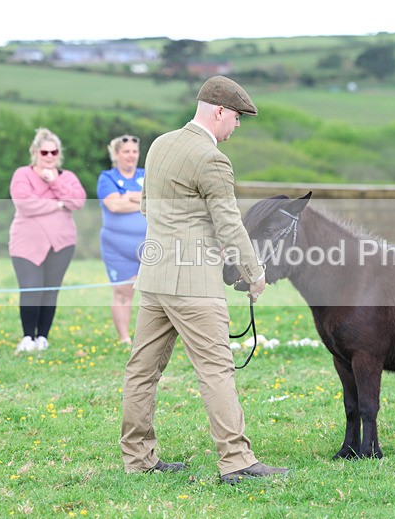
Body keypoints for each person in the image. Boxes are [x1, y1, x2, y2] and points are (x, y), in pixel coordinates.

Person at [120, 75, 287, 484]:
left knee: (141, 371)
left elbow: (145, 206)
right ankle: (236, 461)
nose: (238, 126)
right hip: (194, 285)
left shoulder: (160, 144)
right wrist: (255, 273)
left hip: (155, 279)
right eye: (237, 118)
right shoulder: (212, 159)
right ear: (219, 112)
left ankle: (138, 458)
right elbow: (230, 225)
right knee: (216, 371)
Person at [9, 127, 86, 354]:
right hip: (26, 243)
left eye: (54, 152)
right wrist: (58, 204)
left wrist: (55, 184)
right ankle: (27, 337)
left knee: (50, 290)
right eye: (45, 153)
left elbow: (78, 201)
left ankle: (42, 337)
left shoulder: (68, 177)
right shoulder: (22, 174)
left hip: (61, 244)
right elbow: (24, 204)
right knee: (31, 289)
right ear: (35, 152)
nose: (49, 156)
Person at [97, 135, 147, 344]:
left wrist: (127, 196)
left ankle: (149, 338)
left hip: (149, 245)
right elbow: (114, 206)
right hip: (117, 247)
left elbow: (160, 201)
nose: (131, 155)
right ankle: (124, 338)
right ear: (116, 154)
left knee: (154, 293)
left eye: (134, 151)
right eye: (126, 151)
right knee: (123, 291)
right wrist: (142, 199)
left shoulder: (147, 174)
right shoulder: (107, 177)